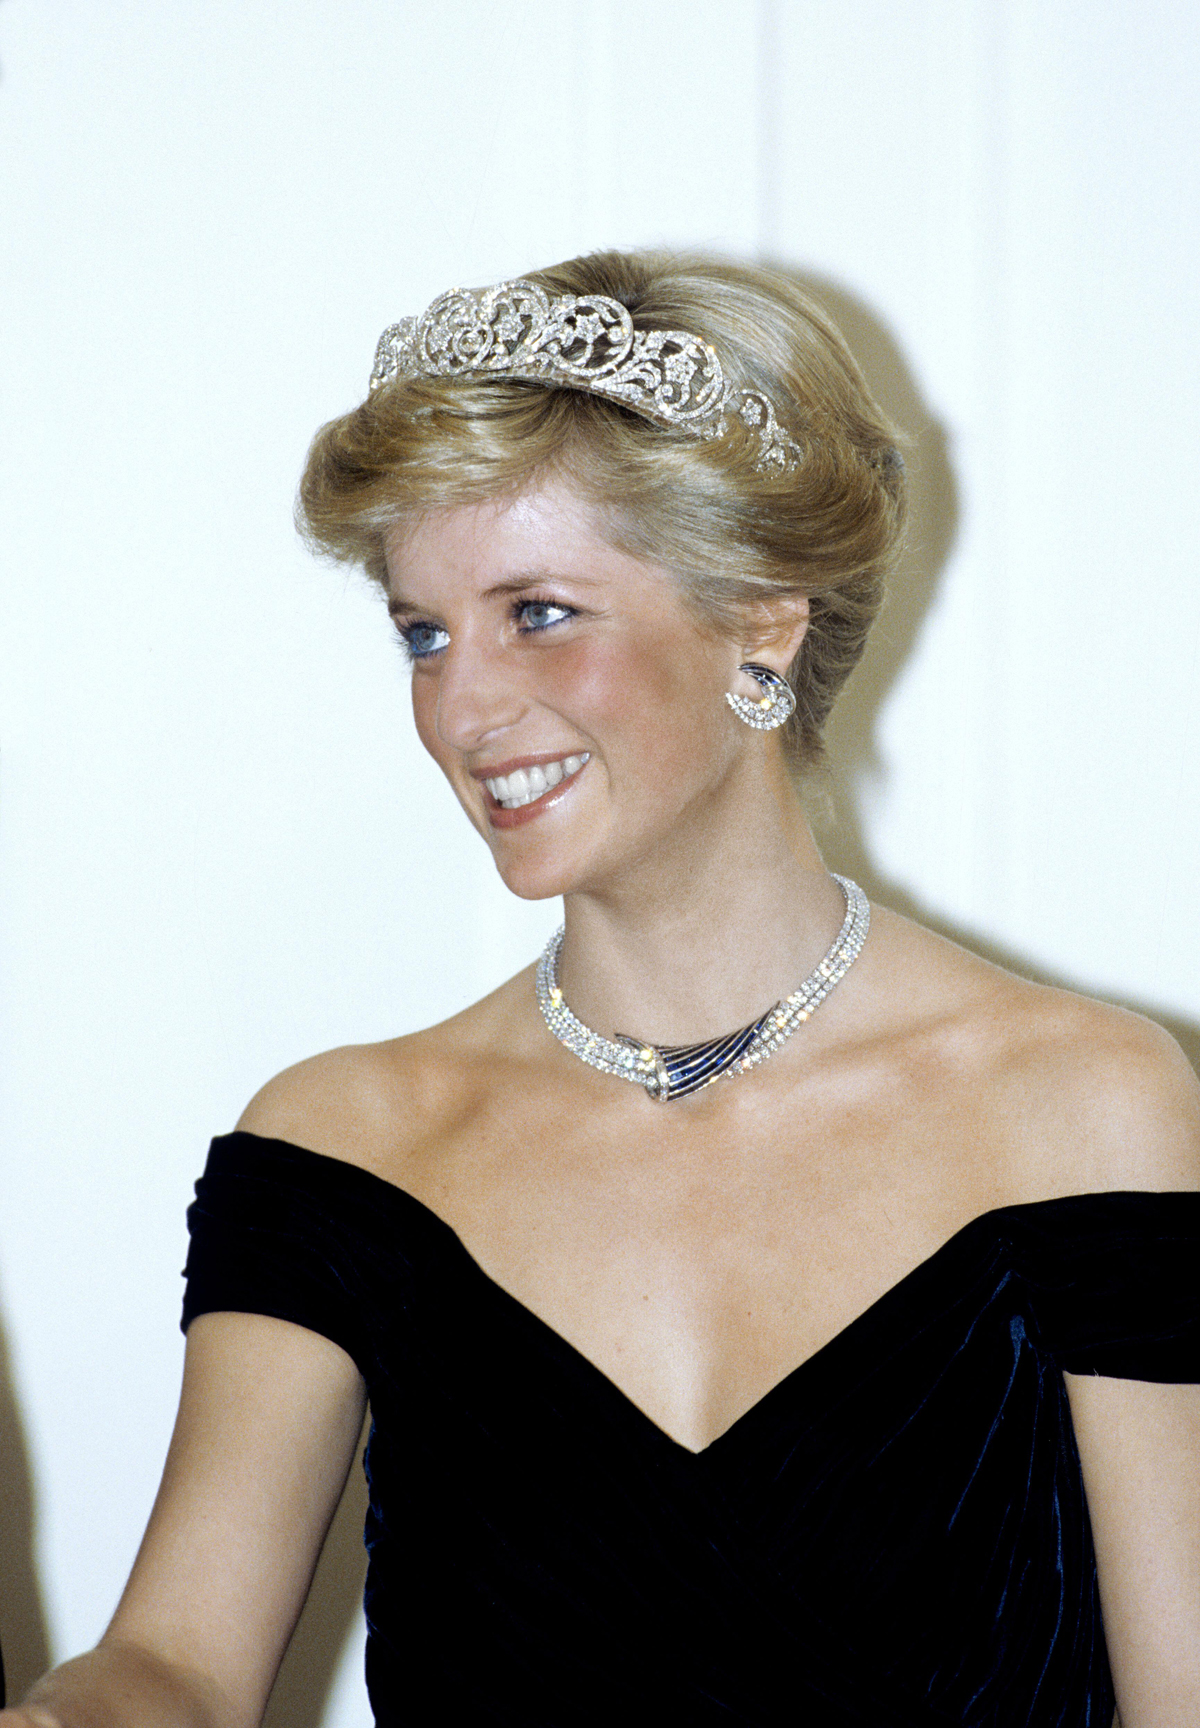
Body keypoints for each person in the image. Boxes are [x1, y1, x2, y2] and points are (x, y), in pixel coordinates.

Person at [7, 253, 1200, 1728]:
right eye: (423, 633)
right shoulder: (345, 1143)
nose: (463, 706)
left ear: (762, 622)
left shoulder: (1080, 1102)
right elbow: (177, 1665)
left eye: (540, 612)